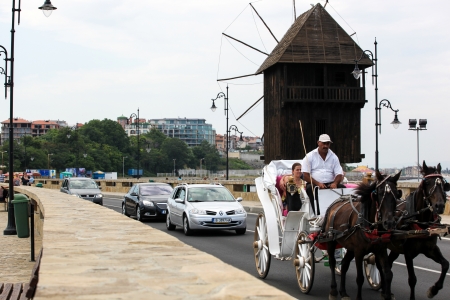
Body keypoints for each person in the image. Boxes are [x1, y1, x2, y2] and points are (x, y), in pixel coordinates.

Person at [302, 134, 345, 214]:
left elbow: (339, 174)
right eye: (323, 143)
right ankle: (317, 213)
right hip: (314, 184)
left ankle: (339, 213)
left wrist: (335, 183)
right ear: (318, 143)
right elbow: (305, 175)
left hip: (330, 184)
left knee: (343, 188)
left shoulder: (334, 157)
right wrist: (318, 183)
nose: (325, 146)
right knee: (310, 188)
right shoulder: (310, 156)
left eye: (327, 143)